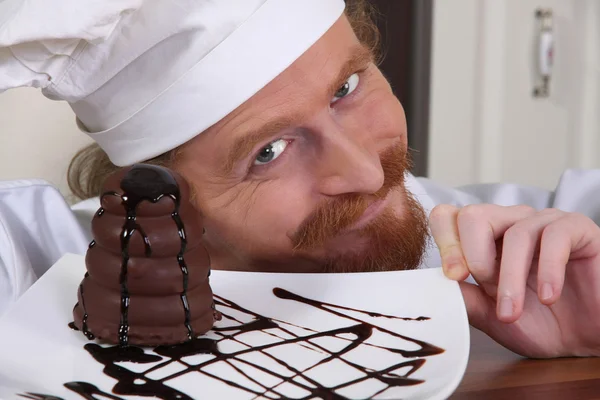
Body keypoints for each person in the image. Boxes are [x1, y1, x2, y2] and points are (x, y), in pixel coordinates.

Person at [0, 0, 599, 360]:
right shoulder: (31, 266)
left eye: (346, 88)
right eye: (270, 150)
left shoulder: (515, 252)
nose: (366, 173)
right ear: (158, 194)